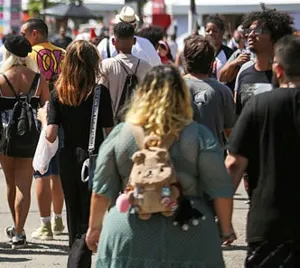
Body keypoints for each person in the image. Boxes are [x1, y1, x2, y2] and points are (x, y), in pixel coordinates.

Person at [84, 65, 236, 266]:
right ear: (182, 96)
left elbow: (101, 190)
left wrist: (94, 228)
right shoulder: (198, 136)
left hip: (128, 228)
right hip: (189, 227)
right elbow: (220, 189)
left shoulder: (121, 134)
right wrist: (225, 228)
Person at [226, 35, 300, 267]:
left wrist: (223, 220)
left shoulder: (260, 105)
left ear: (278, 69)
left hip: (268, 227)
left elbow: (233, 164)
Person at [39, 40, 113, 252]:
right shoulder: (100, 93)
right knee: (92, 213)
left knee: (72, 210)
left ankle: (76, 252)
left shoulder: (58, 93)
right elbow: (109, 132)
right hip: (95, 158)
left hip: (69, 158)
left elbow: (51, 136)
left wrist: (43, 118)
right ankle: (87, 252)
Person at [0, 34, 50, 249]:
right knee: (24, 184)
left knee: (10, 182)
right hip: (30, 134)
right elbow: (46, 108)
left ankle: (16, 226)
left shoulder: (0, 78)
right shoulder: (38, 78)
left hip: (5, 136)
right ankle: (19, 230)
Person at [19, 19, 66, 241]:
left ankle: (45, 224)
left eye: (24, 33)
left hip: (39, 117)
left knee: (41, 170)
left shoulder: (29, 55)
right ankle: (58, 219)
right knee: (57, 172)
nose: (22, 38)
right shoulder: (64, 53)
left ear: (35, 34)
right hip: (63, 116)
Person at [234, 6, 294, 116]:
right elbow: (237, 116)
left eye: (257, 30)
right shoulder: (244, 74)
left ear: (275, 36)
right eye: (249, 30)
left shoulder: (288, 76)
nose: (250, 35)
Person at [182, 35, 236, 146]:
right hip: (213, 157)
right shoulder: (223, 91)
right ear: (212, 63)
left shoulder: (172, 86)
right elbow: (229, 132)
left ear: (186, 60)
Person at [99, 22, 151, 123]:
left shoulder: (106, 65)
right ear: (134, 41)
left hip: (112, 127)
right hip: (139, 126)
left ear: (114, 41)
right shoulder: (146, 67)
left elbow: (99, 98)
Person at [96, 6, 162, 66]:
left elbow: (96, 67)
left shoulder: (104, 44)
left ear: (117, 24)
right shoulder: (146, 44)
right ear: (135, 26)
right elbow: (157, 66)